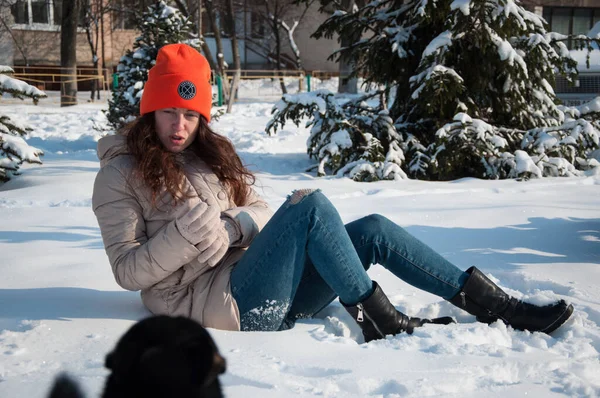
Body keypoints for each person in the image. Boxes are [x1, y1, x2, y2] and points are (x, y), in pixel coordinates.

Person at [92, 43, 574, 343]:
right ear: (149, 110)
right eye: (170, 111)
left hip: (263, 282)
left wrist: (236, 224)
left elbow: (257, 207)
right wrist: (183, 234)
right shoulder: (120, 175)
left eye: (192, 114)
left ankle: (499, 308)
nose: (181, 125)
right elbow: (127, 272)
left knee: (373, 231)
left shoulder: (207, 157)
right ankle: (377, 317)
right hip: (222, 306)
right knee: (312, 207)